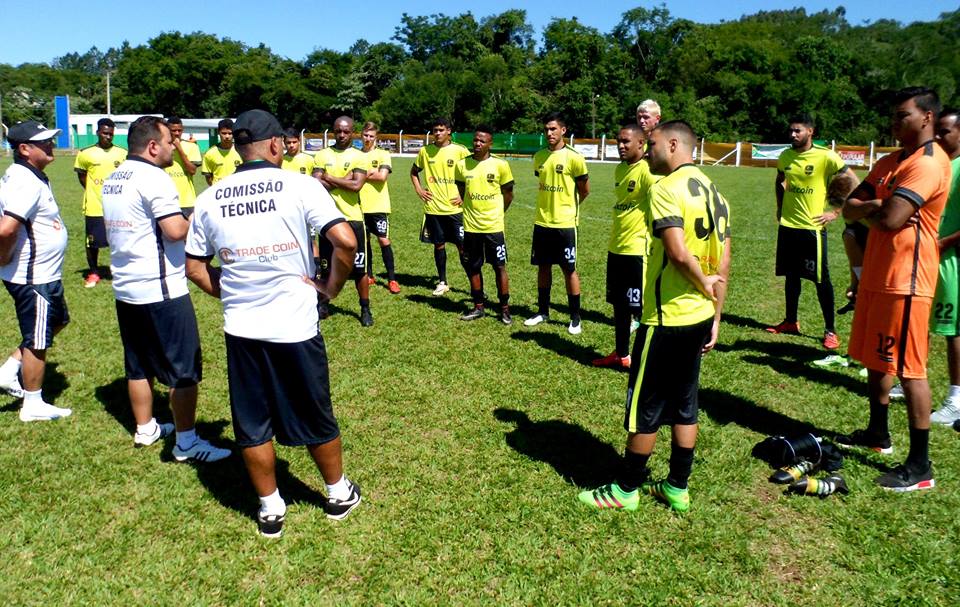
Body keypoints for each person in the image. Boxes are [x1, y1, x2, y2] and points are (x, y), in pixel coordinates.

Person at [185, 109, 362, 537]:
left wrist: (230, 293)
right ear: (276, 144)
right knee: (314, 411)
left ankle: (269, 508)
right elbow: (346, 241)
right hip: (294, 325)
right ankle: (337, 493)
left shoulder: (211, 196)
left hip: (242, 327)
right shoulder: (301, 186)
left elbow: (193, 267)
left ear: (239, 147)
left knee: (251, 422)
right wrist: (331, 288)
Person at [578, 120, 731, 513]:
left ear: (675, 144)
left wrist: (700, 286)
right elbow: (724, 263)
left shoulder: (666, 188)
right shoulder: (717, 193)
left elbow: (678, 254)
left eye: (655, 144)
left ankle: (626, 489)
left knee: (644, 406)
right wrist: (715, 314)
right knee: (685, 403)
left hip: (667, 319)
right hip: (698, 319)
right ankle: (677, 486)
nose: (649, 150)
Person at [838, 87, 952, 492]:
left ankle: (921, 465)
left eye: (902, 115)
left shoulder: (929, 162)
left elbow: (889, 218)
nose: (894, 121)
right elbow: (850, 204)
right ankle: (877, 434)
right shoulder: (889, 161)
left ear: (927, 118)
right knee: (876, 359)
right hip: (878, 275)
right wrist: (872, 205)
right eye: (893, 115)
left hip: (907, 280)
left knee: (911, 369)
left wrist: (870, 206)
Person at [101, 115, 231, 461]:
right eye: (170, 142)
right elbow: (174, 230)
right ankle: (187, 443)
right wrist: (202, 215)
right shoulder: (154, 178)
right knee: (183, 368)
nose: (176, 145)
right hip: (161, 289)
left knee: (138, 363)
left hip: (127, 287)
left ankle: (146, 428)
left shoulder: (114, 176)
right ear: (153, 146)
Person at [765, 113, 860, 350]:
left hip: (812, 229)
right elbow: (780, 180)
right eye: (791, 131)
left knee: (821, 279)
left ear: (811, 132)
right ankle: (790, 321)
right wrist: (779, 207)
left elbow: (851, 180)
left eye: (798, 130)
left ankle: (830, 330)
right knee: (791, 275)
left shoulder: (825, 156)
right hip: (788, 226)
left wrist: (835, 211)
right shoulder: (786, 156)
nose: (793, 135)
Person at [0, 121, 73, 421]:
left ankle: (8, 371)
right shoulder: (25, 181)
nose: (51, 145)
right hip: (34, 277)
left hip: (44, 274)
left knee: (58, 320)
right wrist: (3, 258)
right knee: (37, 340)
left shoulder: (29, 175)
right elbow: (6, 230)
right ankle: (32, 404)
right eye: (43, 142)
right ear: (24, 149)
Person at [592, 124, 657, 369]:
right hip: (616, 247)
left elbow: (660, 205)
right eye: (618, 141)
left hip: (636, 251)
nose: (620, 146)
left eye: (626, 142)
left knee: (640, 309)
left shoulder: (647, 172)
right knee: (619, 306)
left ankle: (644, 359)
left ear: (641, 143)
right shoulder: (620, 169)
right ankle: (621, 355)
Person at [524, 113, 589, 334]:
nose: (549, 133)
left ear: (563, 130)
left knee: (568, 269)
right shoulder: (539, 156)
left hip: (565, 224)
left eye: (553, 129)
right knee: (543, 267)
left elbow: (584, 190)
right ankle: (543, 311)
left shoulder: (574, 158)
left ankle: (575, 317)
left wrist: (567, 208)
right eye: (546, 129)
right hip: (542, 222)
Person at [313, 116, 373, 326]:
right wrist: (345, 179)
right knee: (327, 267)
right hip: (327, 220)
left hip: (353, 219)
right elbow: (315, 184)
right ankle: (323, 303)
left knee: (359, 268)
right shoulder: (322, 154)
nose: (341, 135)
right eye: (338, 131)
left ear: (352, 132)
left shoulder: (359, 157)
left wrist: (330, 177)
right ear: (333, 131)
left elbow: (357, 186)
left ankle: (365, 308)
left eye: (346, 131)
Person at [454, 125, 515, 323]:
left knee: (499, 267)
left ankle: (504, 308)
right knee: (473, 266)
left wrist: (498, 213)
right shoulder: (462, 165)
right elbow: (462, 190)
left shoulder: (501, 165)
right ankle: (478, 306)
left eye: (482, 141)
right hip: (471, 226)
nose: (478, 144)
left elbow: (508, 194)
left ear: (490, 143)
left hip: (493, 227)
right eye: (476, 140)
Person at [410, 118, 470, 296]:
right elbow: (414, 172)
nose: (437, 133)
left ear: (449, 131)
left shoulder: (460, 151)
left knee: (463, 248)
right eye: (435, 130)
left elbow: (472, 173)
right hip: (433, 209)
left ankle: (473, 284)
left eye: (441, 130)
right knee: (439, 245)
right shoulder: (425, 152)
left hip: (455, 210)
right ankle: (442, 281)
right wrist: (419, 190)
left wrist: (464, 195)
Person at [927, 109, 960, 425]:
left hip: (950, 259)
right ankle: (912, 378)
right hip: (931, 256)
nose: (938, 137)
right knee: (919, 318)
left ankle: (956, 399)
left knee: (954, 329)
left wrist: (943, 242)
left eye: (945, 131)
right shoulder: (941, 166)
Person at [74, 117, 127, 288]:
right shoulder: (85, 153)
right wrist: (94, 191)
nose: (108, 137)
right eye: (105, 133)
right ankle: (94, 271)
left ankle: (119, 270)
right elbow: (82, 177)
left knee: (120, 238)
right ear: (98, 133)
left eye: (111, 134)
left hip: (117, 205)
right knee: (92, 241)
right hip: (95, 205)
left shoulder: (122, 153)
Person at [360, 122, 400, 294]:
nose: (368, 139)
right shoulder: (355, 155)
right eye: (365, 135)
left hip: (378, 206)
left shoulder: (383, 154)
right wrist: (371, 173)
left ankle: (392, 279)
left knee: (383, 240)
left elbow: (382, 177)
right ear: (361, 135)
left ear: (376, 138)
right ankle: (369, 275)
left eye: (371, 136)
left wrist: (363, 174)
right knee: (364, 241)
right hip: (359, 205)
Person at [164, 117, 202, 217]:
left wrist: (179, 149)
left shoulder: (192, 146)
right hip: (165, 202)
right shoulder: (160, 147)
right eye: (173, 130)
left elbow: (192, 170)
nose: (177, 133)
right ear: (167, 130)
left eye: (179, 130)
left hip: (187, 201)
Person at [202, 118, 241, 186]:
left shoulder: (241, 150)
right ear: (218, 133)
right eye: (224, 133)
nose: (227, 136)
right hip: (218, 192)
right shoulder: (209, 153)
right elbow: (208, 177)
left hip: (236, 191)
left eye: (230, 133)